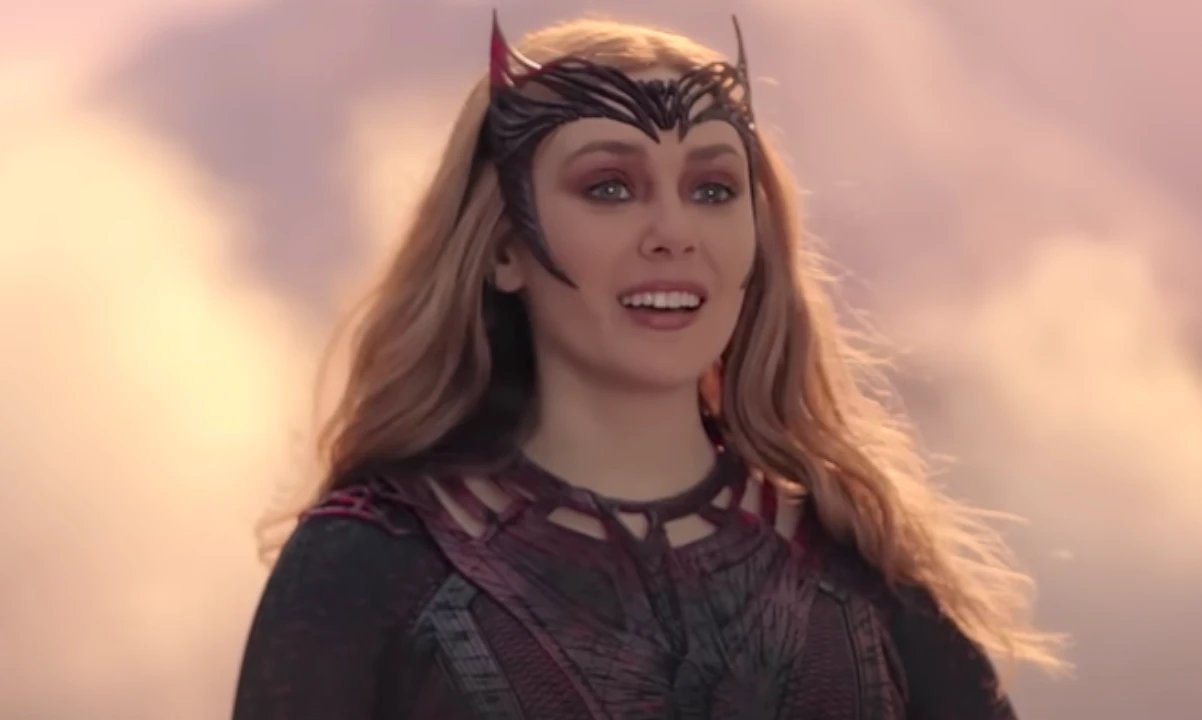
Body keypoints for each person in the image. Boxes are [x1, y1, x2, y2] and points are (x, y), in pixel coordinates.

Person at [232, 13, 1064, 720]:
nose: (674, 232)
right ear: (503, 248)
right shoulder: (372, 562)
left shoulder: (863, 566)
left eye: (712, 190)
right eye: (609, 187)